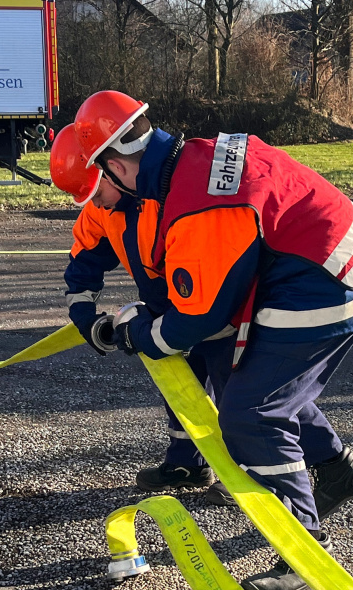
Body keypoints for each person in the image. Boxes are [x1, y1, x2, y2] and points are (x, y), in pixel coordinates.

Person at [72, 91, 353, 590]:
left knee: (250, 413)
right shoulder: (191, 159)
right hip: (340, 265)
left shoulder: (194, 201)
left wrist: (137, 336)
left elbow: (198, 317)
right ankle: (336, 470)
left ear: (112, 164)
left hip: (327, 286)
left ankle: (306, 552)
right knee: (267, 380)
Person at [49, 124, 236, 498]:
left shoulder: (165, 191)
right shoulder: (102, 208)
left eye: (95, 192)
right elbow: (83, 267)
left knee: (238, 392)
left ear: (112, 168)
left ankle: (252, 473)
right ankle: (189, 463)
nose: (95, 204)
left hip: (217, 310)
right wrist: (87, 321)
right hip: (170, 311)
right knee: (181, 386)